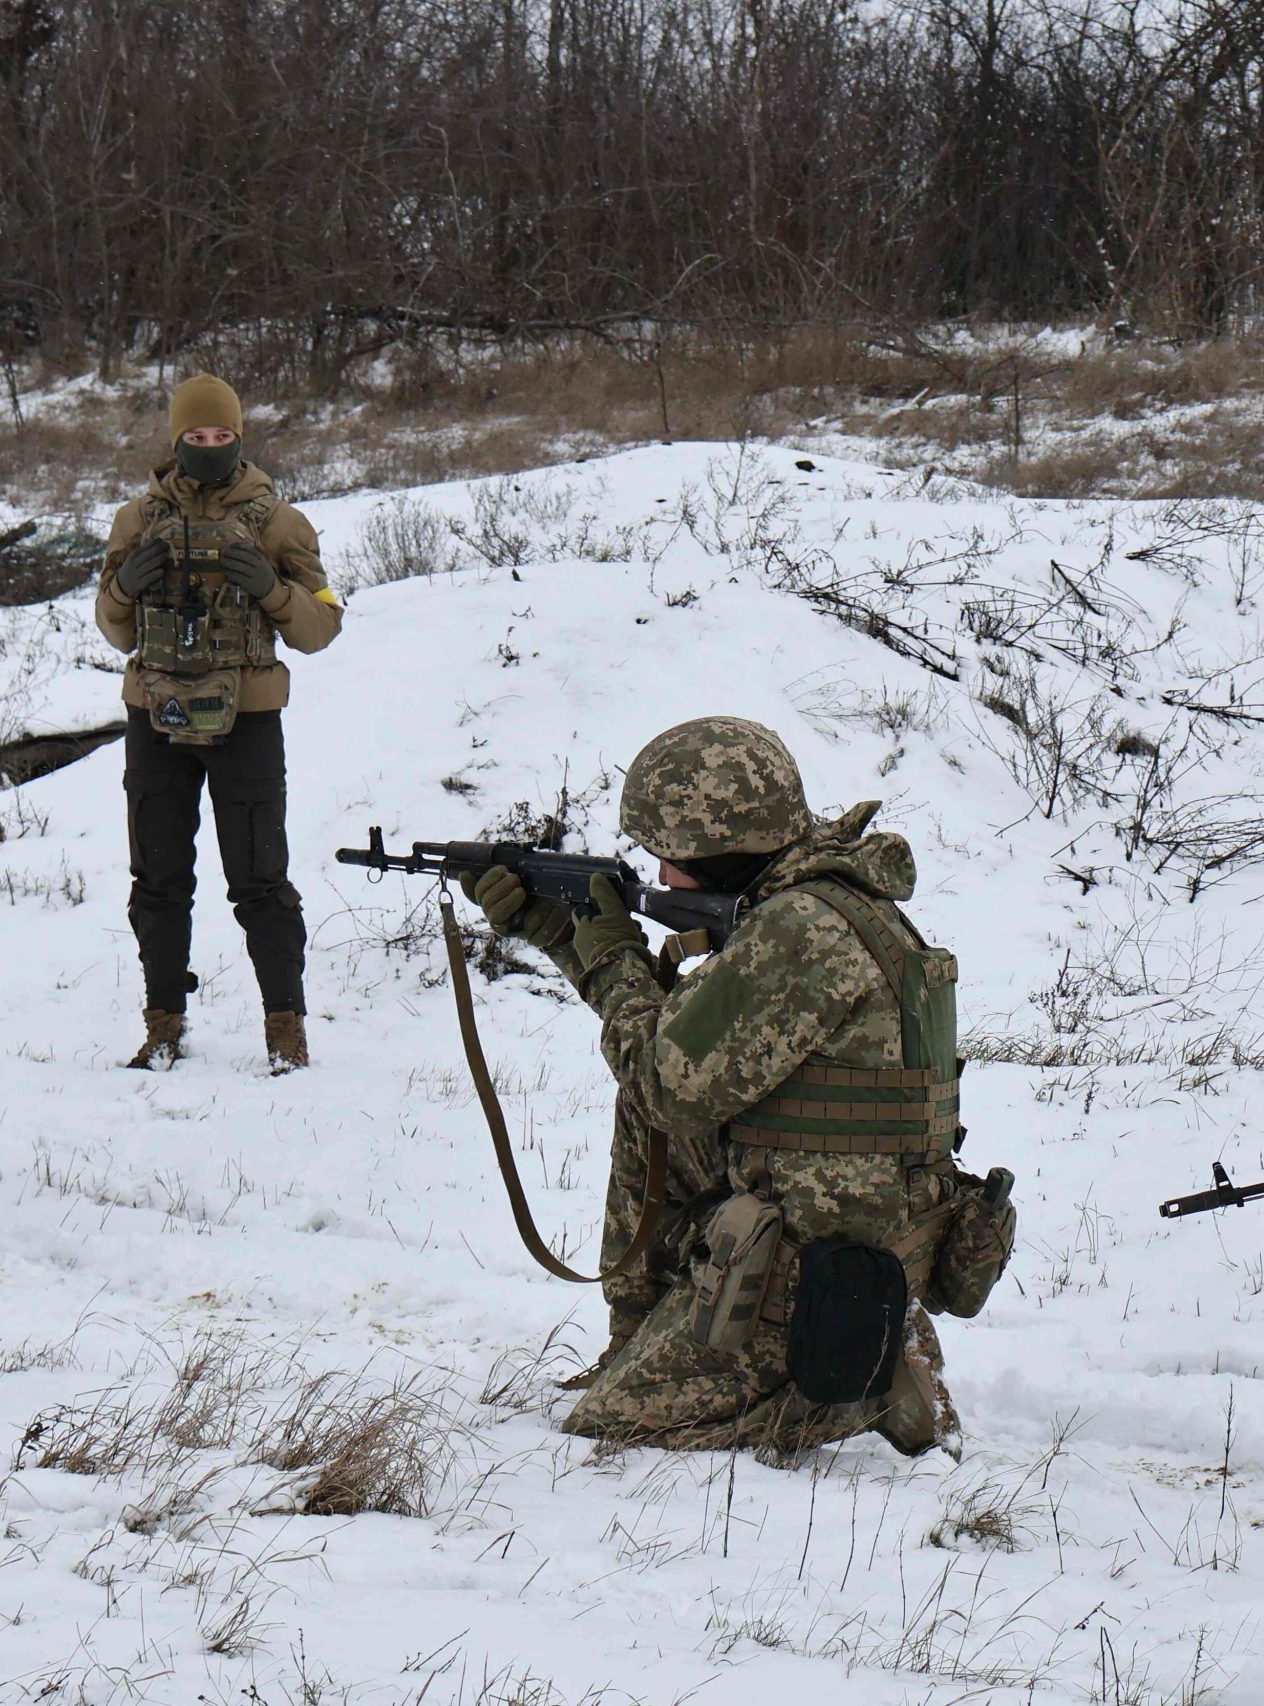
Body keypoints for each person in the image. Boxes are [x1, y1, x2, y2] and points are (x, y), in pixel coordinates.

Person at [469, 716, 1014, 1456]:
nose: (661, 879)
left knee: (608, 1425)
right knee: (646, 1112)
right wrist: (563, 936)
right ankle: (641, 1344)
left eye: (674, 860)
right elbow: (666, 1070)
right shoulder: (824, 901)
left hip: (816, 1265)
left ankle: (855, 1387)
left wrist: (605, 956)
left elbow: (669, 1080)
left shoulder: (797, 935)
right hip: (871, 1220)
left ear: (725, 853)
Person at [96, 374, 343, 1073]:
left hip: (248, 722)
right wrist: (124, 586)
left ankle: (285, 1029)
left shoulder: (280, 523)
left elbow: (322, 626)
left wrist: (272, 590)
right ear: (176, 440)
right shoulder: (135, 521)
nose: (209, 447)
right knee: (158, 879)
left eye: (222, 436)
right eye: (196, 437)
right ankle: (163, 1025)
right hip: (157, 716)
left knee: (261, 880)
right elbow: (115, 632)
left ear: (240, 437)